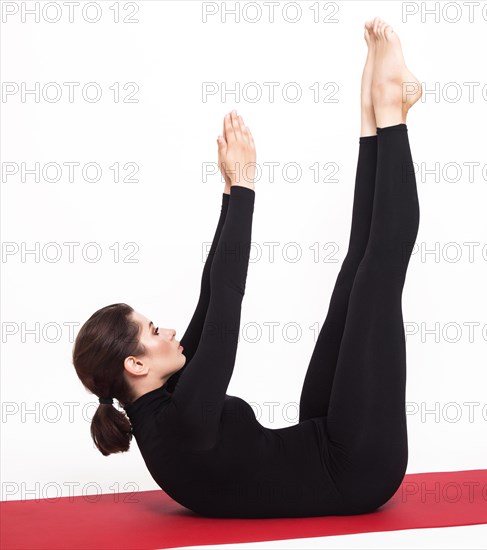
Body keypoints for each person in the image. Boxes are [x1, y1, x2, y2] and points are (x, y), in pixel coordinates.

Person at [72, 17, 422, 518]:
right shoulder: (184, 422)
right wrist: (248, 187)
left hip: (325, 438)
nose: (168, 331)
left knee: (353, 277)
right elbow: (227, 303)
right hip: (359, 468)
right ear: (136, 363)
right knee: (378, 276)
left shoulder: (163, 404)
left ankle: (375, 112)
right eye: (152, 331)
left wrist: (228, 193)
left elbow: (210, 292)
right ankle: (393, 112)